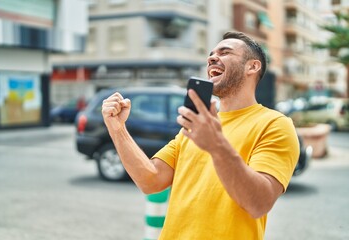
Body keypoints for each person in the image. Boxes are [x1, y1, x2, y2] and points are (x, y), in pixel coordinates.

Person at [101, 31, 299, 240]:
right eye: (211, 54)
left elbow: (258, 203)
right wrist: (117, 128)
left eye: (225, 52)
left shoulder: (275, 125)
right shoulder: (197, 125)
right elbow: (150, 180)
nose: (212, 58)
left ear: (252, 66)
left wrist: (216, 145)